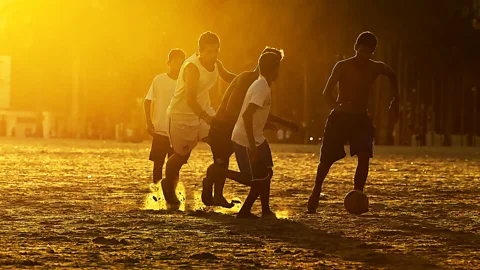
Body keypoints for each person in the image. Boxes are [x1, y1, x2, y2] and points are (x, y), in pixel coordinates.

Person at [307, 31, 400, 213]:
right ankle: (316, 190)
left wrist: (396, 98)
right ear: (356, 48)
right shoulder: (342, 66)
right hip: (339, 119)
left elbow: (392, 74)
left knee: (364, 156)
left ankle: (358, 194)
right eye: (362, 51)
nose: (364, 56)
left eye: (369, 52)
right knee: (326, 160)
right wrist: (337, 107)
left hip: (361, 119)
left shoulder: (375, 67)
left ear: (373, 52)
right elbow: (326, 92)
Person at [202, 47, 298, 208]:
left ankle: (223, 198)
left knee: (256, 170)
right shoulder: (251, 80)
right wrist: (249, 125)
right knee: (225, 166)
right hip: (223, 128)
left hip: (234, 128)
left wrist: (284, 123)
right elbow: (234, 110)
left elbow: (254, 110)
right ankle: (212, 189)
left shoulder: (258, 82)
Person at [162, 31, 235, 208]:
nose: (212, 55)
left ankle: (216, 193)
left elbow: (230, 79)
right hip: (182, 116)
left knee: (223, 147)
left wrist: (250, 80)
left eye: (216, 51)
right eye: (208, 52)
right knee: (181, 156)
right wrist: (207, 118)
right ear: (199, 51)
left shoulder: (216, 63)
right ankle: (167, 185)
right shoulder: (192, 68)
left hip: (204, 113)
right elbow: (190, 99)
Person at [231, 52, 284, 218]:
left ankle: (264, 210)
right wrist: (252, 145)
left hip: (257, 137)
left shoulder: (263, 85)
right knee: (251, 178)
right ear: (272, 70)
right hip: (245, 139)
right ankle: (218, 172)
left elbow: (257, 113)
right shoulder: (261, 87)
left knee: (266, 173)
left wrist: (271, 124)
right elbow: (247, 115)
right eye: (278, 68)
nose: (279, 72)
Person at [144, 49, 186, 185]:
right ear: (168, 63)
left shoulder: (186, 82)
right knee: (158, 163)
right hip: (160, 129)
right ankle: (156, 192)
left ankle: (172, 192)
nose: (178, 66)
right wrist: (149, 122)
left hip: (177, 131)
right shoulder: (159, 80)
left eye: (181, 63)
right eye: (176, 63)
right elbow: (147, 101)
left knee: (175, 165)